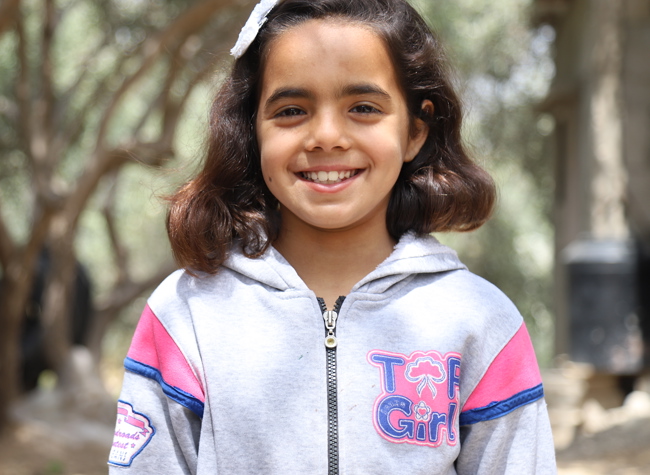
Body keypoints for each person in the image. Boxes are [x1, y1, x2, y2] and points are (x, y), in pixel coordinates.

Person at [107, 0, 557, 473]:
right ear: (251, 130)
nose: (326, 136)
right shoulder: (186, 317)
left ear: (414, 132)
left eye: (363, 108)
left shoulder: (481, 322)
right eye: (292, 110)